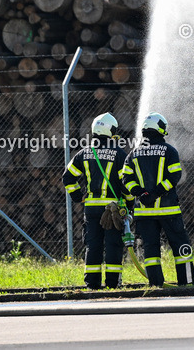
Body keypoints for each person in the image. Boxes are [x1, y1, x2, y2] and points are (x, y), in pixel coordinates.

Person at [120, 112, 194, 286]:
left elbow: (126, 179)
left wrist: (141, 194)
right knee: (180, 245)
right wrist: (156, 193)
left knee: (150, 248)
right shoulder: (169, 151)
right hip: (168, 209)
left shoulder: (133, 154)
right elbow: (174, 176)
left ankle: (155, 284)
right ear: (161, 129)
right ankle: (187, 282)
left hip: (144, 212)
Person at [62, 112, 129, 289]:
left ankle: (92, 283)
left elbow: (68, 178)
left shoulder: (84, 153)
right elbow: (126, 185)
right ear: (110, 131)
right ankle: (113, 284)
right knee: (113, 244)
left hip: (91, 209)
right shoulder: (119, 154)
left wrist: (77, 196)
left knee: (93, 245)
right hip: (112, 209)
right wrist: (128, 206)